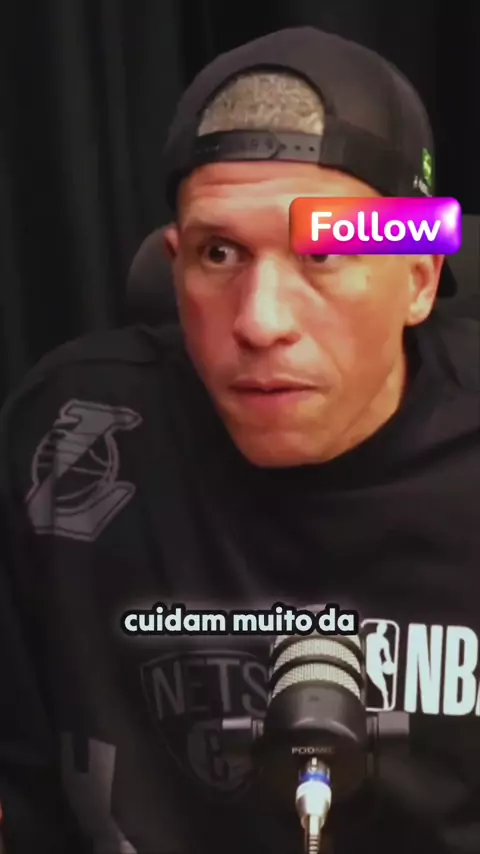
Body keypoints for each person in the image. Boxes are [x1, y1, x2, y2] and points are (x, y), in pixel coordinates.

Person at [0, 24, 478, 854]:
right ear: (174, 262)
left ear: (418, 277)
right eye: (219, 253)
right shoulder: (69, 438)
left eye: (322, 255)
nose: (259, 322)